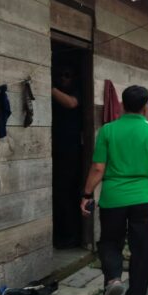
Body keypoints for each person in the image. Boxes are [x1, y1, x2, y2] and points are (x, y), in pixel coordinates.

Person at [80, 85, 148, 295]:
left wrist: (87, 194)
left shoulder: (107, 131)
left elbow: (98, 168)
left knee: (110, 241)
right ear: (145, 106)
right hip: (144, 197)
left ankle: (113, 279)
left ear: (121, 104)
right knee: (142, 247)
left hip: (113, 197)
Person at [52, 67, 83, 249]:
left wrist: (50, 89)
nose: (63, 78)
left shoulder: (75, 92)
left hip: (71, 152)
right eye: (60, 75)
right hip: (57, 150)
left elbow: (71, 103)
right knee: (60, 195)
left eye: (67, 74)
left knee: (67, 195)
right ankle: (63, 235)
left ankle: (71, 237)